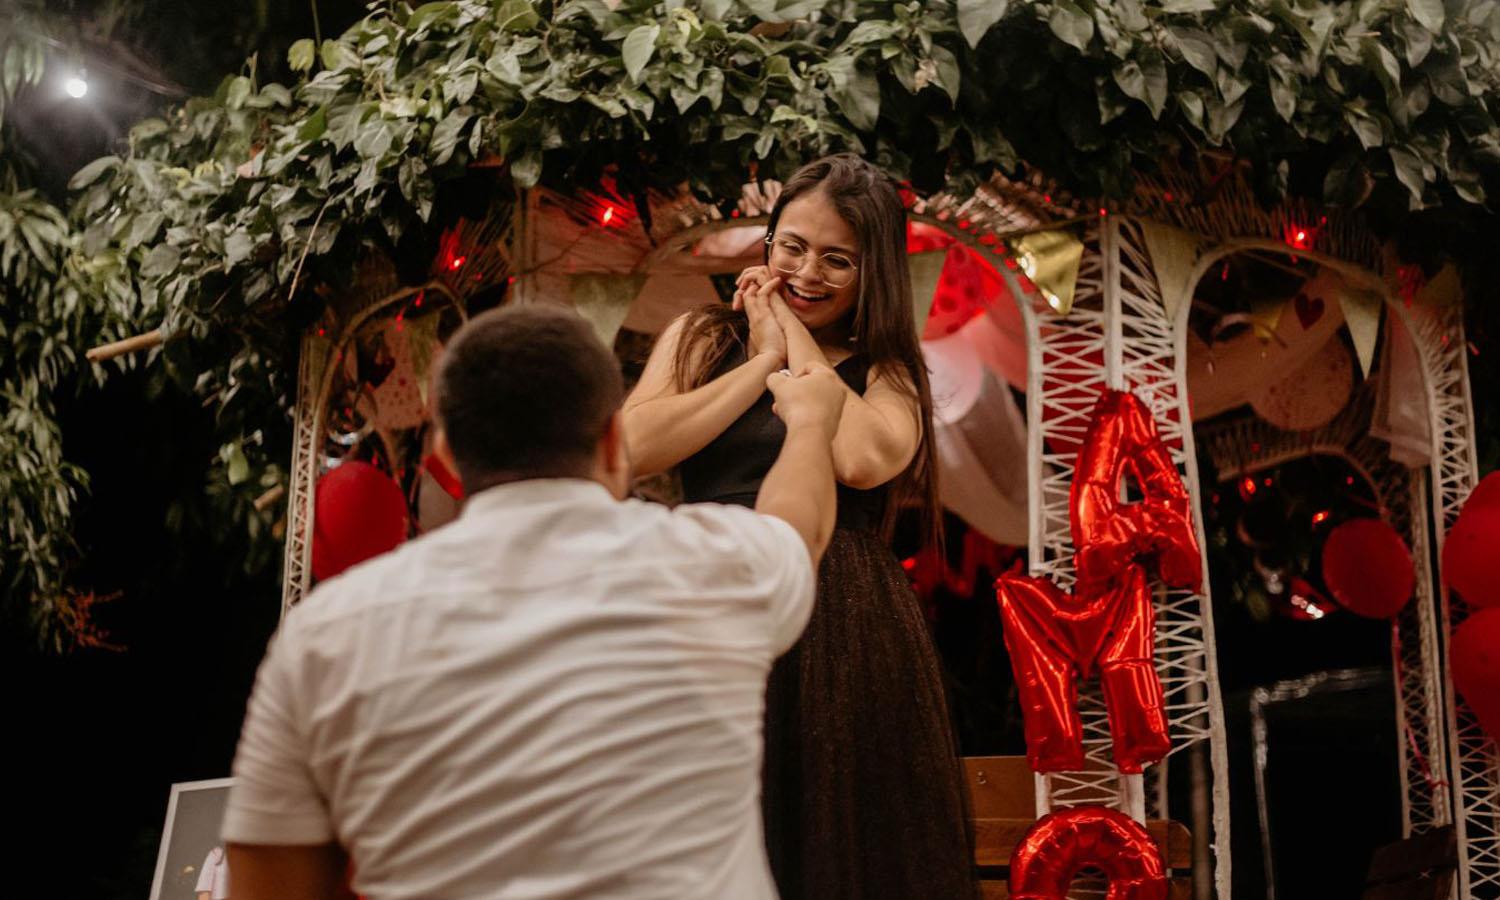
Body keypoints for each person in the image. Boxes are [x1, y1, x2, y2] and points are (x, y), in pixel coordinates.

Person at [222, 305, 849, 899]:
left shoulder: (324, 636)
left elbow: (267, 879)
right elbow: (801, 525)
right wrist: (813, 423)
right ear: (612, 443)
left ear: (446, 455)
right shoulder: (714, 565)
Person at [623, 153, 977, 899]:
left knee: (837, 840)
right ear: (768, 240)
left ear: (872, 270)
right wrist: (760, 366)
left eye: (836, 259)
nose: (806, 272)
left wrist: (784, 325)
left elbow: (857, 457)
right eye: (792, 246)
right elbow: (631, 447)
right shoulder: (700, 336)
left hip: (841, 621)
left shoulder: (890, 373)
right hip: (708, 596)